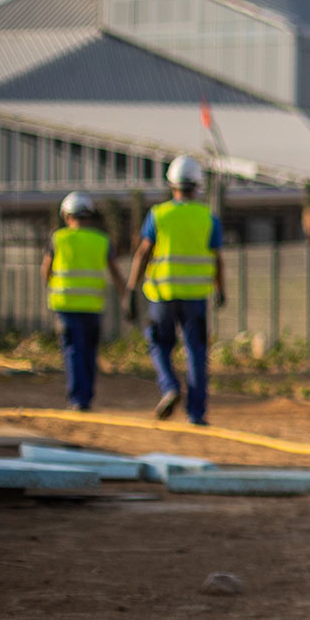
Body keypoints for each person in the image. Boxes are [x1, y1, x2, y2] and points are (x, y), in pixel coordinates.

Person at [126, 156, 222, 425]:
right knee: (196, 351)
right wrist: (221, 289)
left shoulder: (158, 215)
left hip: (162, 295)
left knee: (158, 345)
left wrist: (131, 289)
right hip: (196, 297)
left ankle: (169, 387)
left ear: (171, 184)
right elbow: (217, 258)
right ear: (198, 185)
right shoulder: (207, 217)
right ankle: (196, 413)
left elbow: (143, 252)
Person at [44, 192, 126, 412]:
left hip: (65, 305)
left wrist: (51, 286)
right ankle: (87, 396)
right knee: (89, 351)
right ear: (89, 215)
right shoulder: (102, 240)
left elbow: (47, 270)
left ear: (67, 215)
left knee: (73, 351)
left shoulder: (57, 238)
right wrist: (126, 297)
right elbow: (116, 273)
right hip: (92, 306)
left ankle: (78, 399)